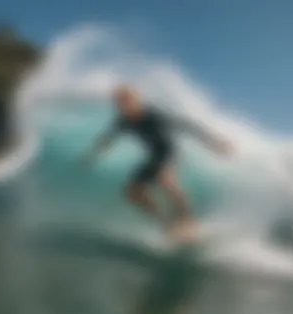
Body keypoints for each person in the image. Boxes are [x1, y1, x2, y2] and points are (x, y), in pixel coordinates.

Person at [80, 85, 233, 236]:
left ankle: (188, 220)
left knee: (164, 179)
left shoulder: (153, 115)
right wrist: (92, 156)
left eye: (127, 102)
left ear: (136, 101)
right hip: (154, 156)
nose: (124, 107)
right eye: (119, 104)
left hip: (170, 152)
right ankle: (165, 221)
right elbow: (108, 138)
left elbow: (187, 125)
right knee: (132, 192)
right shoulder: (123, 121)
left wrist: (214, 142)